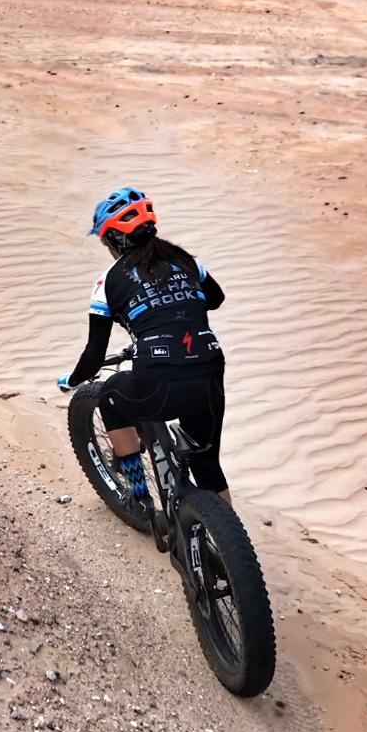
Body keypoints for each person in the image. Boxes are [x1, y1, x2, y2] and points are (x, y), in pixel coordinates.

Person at [58, 187, 231, 515]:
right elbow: (216, 299)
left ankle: (138, 495)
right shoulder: (188, 261)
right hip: (209, 370)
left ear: (116, 239)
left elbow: (94, 355)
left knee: (111, 398)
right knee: (206, 462)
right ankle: (228, 549)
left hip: (157, 379)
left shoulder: (107, 281)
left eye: (105, 241)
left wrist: (72, 381)